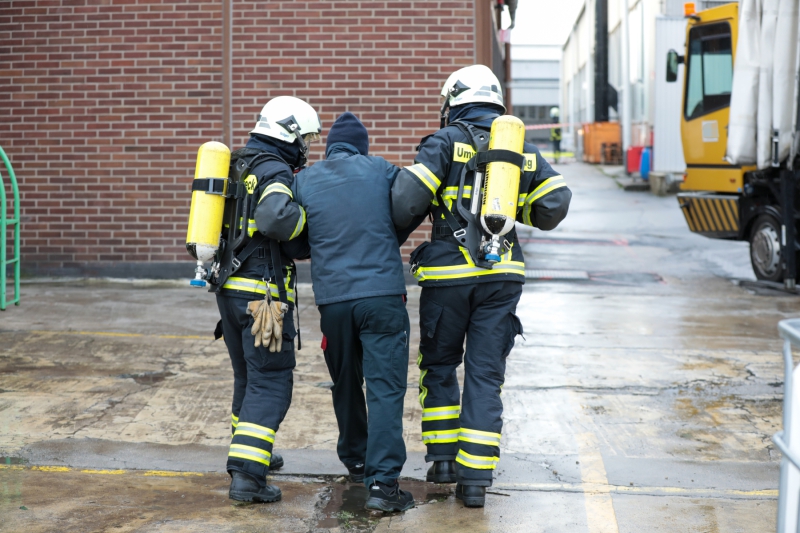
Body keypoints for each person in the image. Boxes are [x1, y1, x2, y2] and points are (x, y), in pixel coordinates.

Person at [391, 65, 572, 508]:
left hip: (448, 279)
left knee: (439, 365)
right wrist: (511, 209)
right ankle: (475, 481)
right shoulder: (521, 148)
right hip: (502, 277)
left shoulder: (443, 142)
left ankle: (443, 462)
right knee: (485, 375)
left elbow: (405, 203)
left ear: (453, 101)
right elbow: (554, 205)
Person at [260, 112, 416, 512]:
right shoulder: (383, 170)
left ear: (329, 148)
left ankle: (357, 460)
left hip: (334, 302)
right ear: (362, 148)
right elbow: (409, 207)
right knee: (385, 388)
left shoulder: (305, 180)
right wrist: (389, 236)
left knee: (345, 381)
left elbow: (294, 242)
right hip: (382, 296)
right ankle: (383, 485)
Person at [212, 96, 320, 503]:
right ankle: (247, 476)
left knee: (248, 376)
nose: (307, 147)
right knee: (271, 381)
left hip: (229, 289)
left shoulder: (238, 163)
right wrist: (308, 224)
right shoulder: (274, 169)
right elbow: (276, 219)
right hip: (264, 297)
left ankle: (253, 451)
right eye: (306, 138)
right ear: (289, 134)